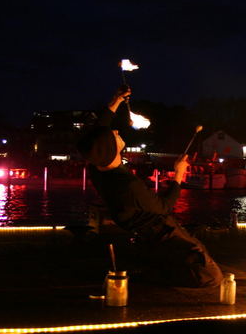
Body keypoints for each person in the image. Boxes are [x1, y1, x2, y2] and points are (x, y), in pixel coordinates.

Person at [78, 85, 224, 288]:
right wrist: (179, 173)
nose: (117, 131)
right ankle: (153, 275)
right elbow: (164, 206)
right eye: (114, 135)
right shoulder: (128, 185)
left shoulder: (97, 168)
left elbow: (98, 132)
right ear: (111, 149)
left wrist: (116, 100)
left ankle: (155, 266)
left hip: (143, 230)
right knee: (210, 276)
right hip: (160, 233)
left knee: (193, 249)